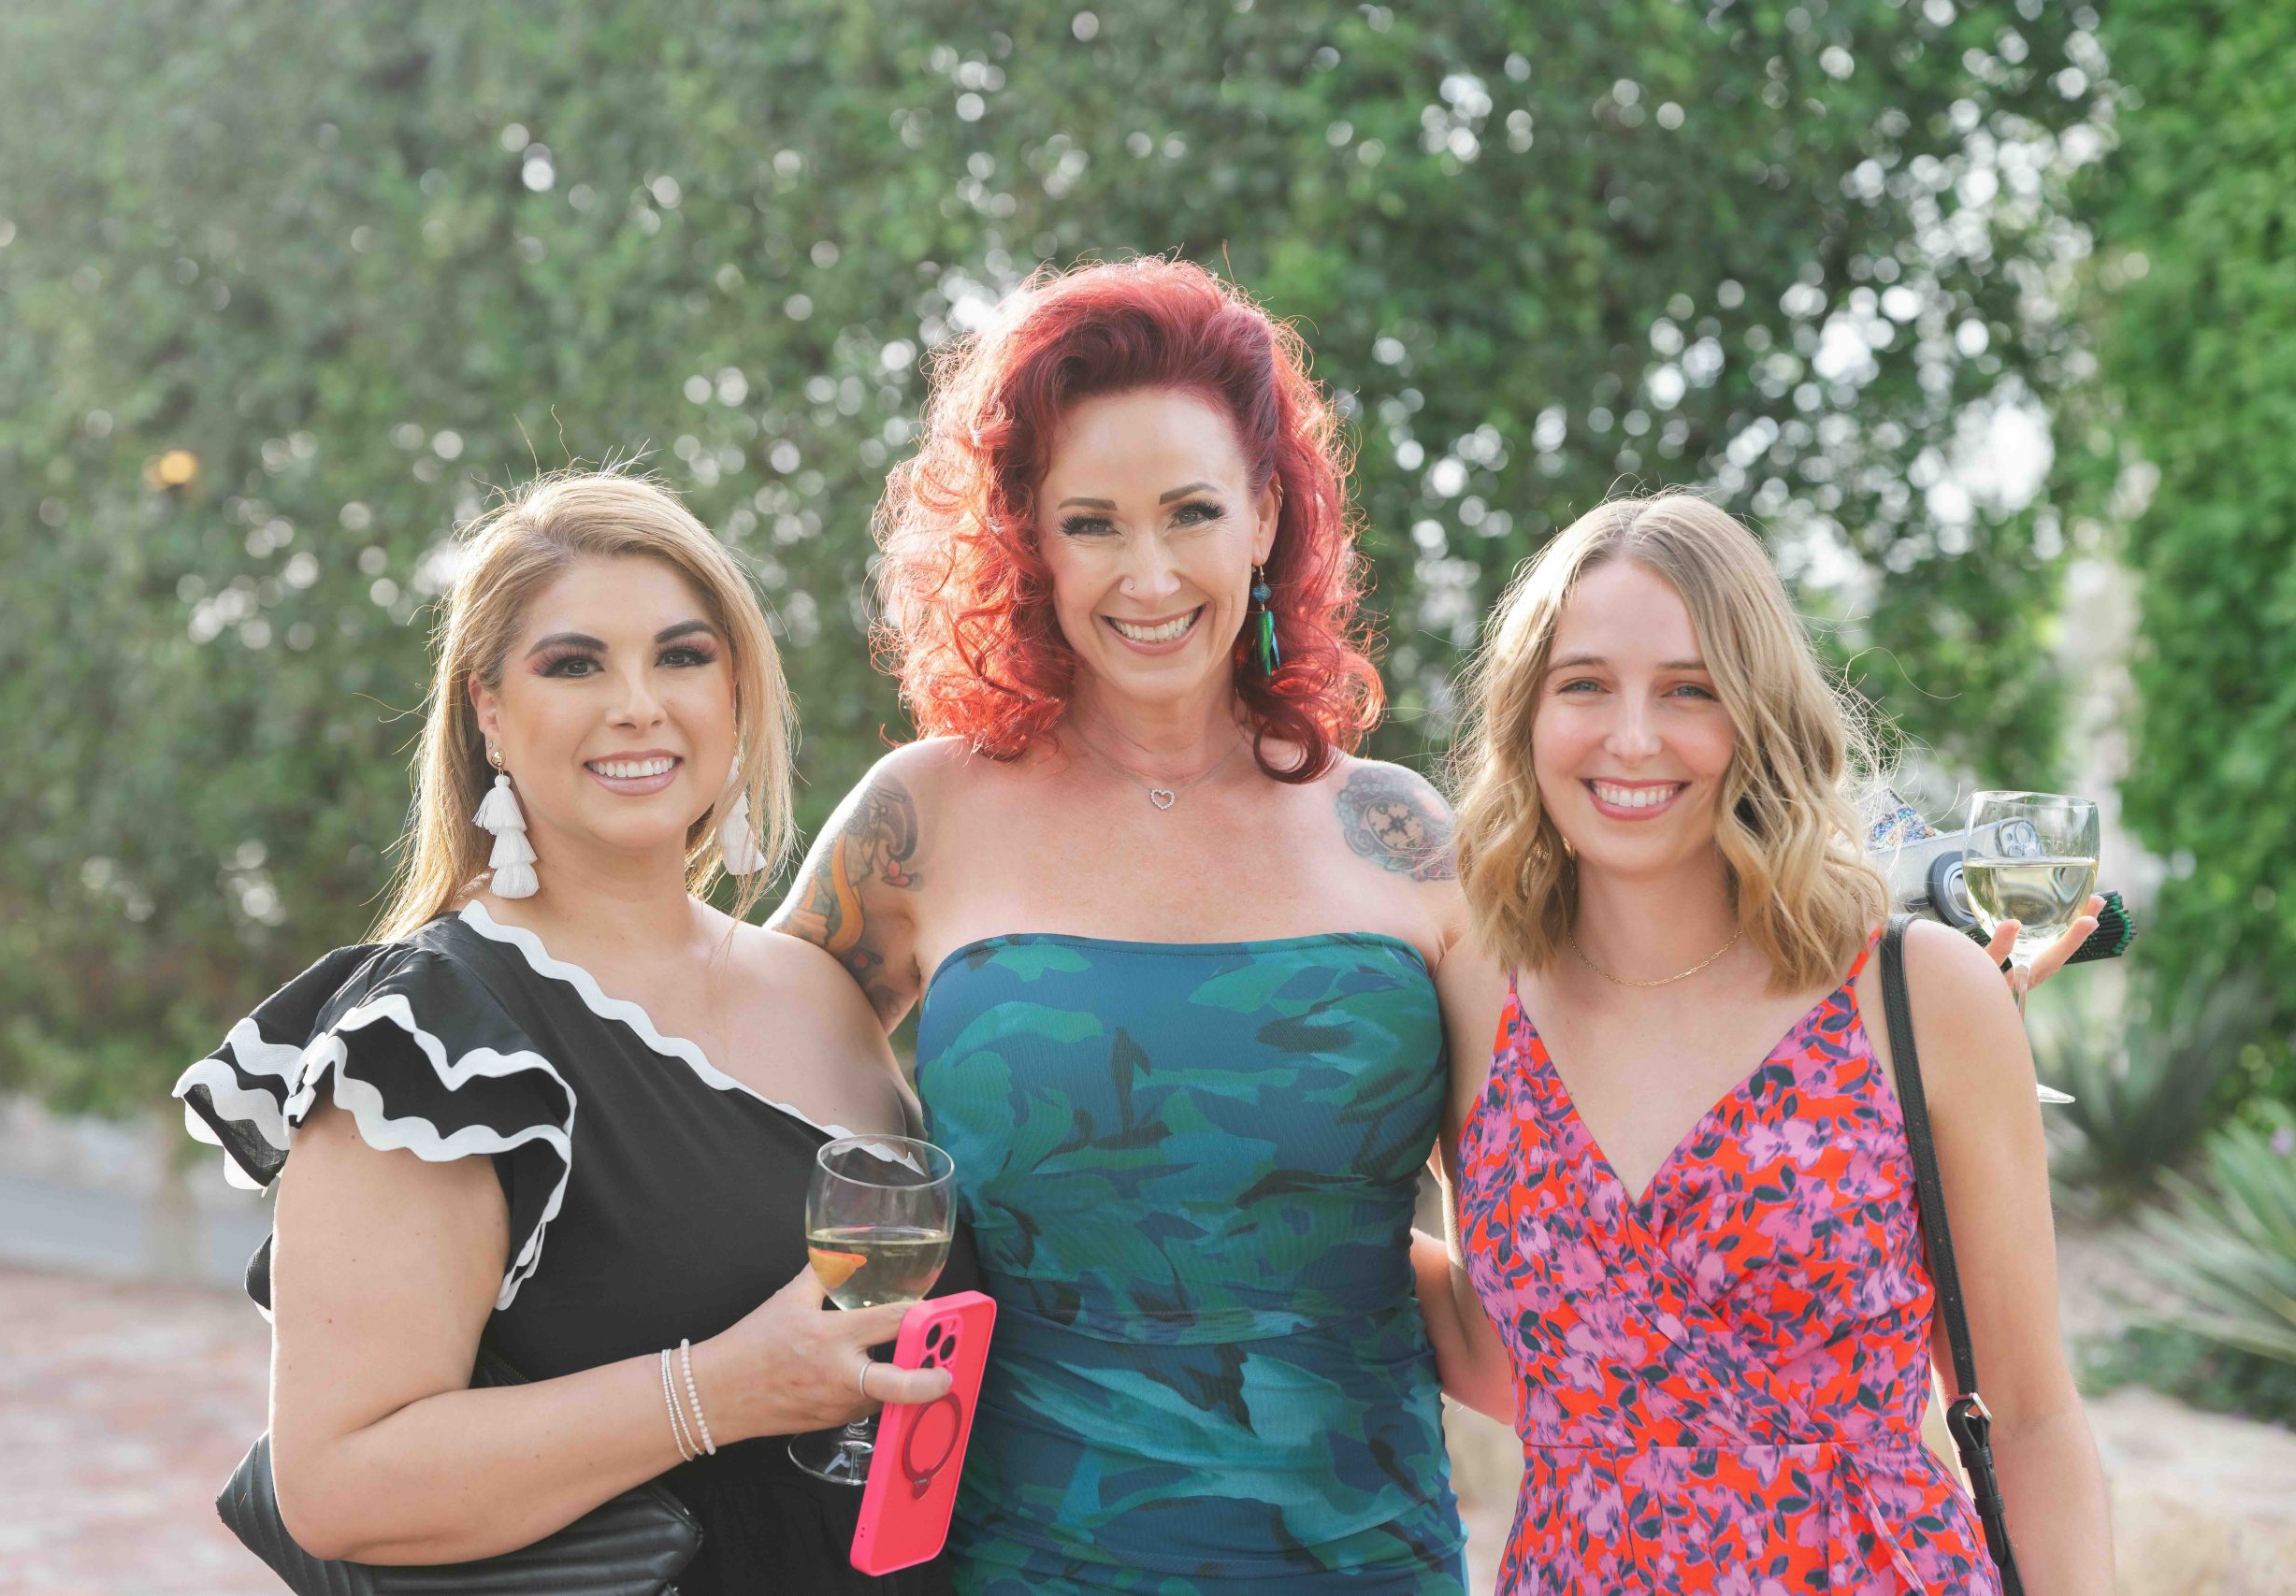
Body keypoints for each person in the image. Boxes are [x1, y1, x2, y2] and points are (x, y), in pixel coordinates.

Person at [771, 259, 1476, 1591]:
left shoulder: (1403, 836)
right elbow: (725, 1095)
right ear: (1028, 540)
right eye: (1090, 522)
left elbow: (1546, 1249)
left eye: (1191, 512)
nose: (1147, 575)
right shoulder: (923, 814)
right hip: (1013, 1563)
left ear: (1266, 514)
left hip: (1370, 1563)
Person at [173, 471, 967, 1589]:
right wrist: (718, 1389)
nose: (637, 704)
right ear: (490, 711)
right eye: (574, 664)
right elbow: (337, 1484)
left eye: (682, 656)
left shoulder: (822, 990)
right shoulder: (429, 1038)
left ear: (735, 694)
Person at [1423, 492, 2114, 1593]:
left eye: (1689, 689)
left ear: (1758, 715)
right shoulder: (1472, 995)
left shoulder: (1917, 996)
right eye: (1583, 685)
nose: (1632, 737)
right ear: (1525, 718)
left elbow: (2029, 1417)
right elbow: (1514, 1362)